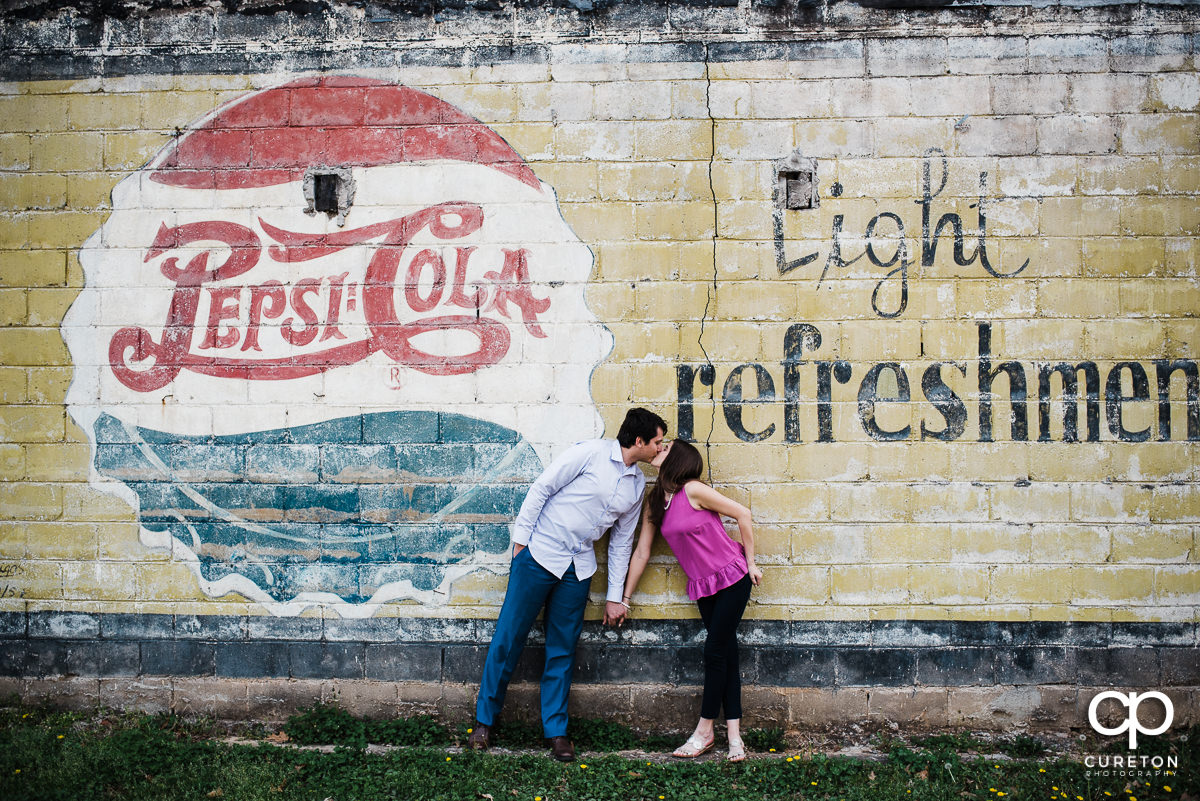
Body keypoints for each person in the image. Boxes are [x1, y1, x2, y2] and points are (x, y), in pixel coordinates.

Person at [467, 407, 668, 762]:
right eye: (657, 442)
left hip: (579, 569)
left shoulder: (637, 485)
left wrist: (615, 596)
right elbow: (543, 487)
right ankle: (484, 722)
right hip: (539, 555)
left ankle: (556, 732)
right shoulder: (589, 453)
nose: (660, 449)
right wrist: (521, 543)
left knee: (562, 649)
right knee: (508, 638)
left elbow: (622, 542)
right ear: (639, 441)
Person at [620, 439, 762, 762]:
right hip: (704, 586)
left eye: (666, 447)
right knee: (726, 653)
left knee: (714, 650)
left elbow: (743, 513)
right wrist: (625, 597)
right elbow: (642, 551)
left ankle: (704, 732)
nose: (659, 450)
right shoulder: (656, 502)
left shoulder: (693, 490)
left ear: (679, 459)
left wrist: (751, 563)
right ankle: (735, 737)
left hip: (733, 577)